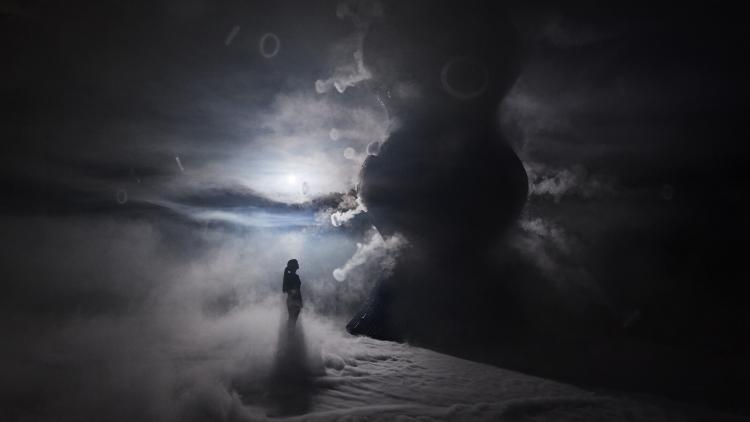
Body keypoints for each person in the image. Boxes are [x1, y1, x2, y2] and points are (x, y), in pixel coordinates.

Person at [282, 259, 303, 326]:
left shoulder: (294, 276)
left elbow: (298, 290)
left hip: (295, 300)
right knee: (292, 320)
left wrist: (300, 300)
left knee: (293, 320)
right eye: (296, 264)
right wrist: (293, 292)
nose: (298, 265)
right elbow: (285, 289)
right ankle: (290, 334)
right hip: (293, 300)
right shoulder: (290, 276)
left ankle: (290, 334)